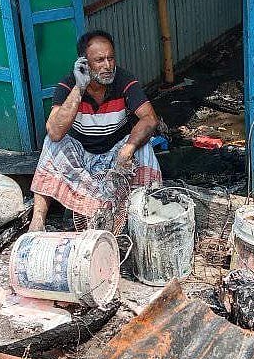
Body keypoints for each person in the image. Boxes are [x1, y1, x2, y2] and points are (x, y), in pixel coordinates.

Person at [29, 30, 162, 232]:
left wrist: (128, 149)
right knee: (52, 143)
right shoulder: (68, 84)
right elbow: (55, 131)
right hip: (81, 159)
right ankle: (37, 221)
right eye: (99, 60)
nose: (108, 66)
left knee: (144, 146)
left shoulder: (124, 79)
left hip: (116, 156)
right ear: (85, 62)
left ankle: (145, 215)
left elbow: (150, 119)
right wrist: (79, 89)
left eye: (111, 58)